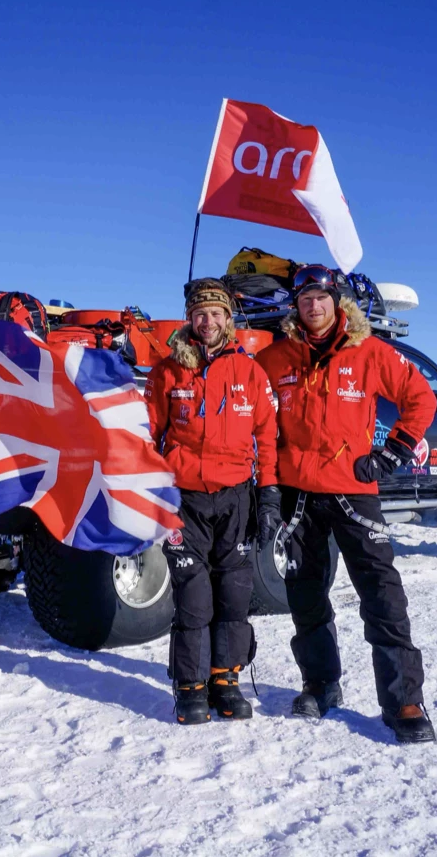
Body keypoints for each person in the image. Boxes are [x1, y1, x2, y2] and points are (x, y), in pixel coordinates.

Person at [255, 265, 437, 743]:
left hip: (354, 492)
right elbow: (257, 424)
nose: (313, 305)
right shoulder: (275, 359)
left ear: (338, 302)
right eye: (304, 299)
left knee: (382, 593)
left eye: (321, 297)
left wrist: (393, 450)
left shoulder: (369, 351)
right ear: (294, 307)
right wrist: (268, 489)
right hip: (298, 495)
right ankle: (320, 683)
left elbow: (419, 397)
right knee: (305, 594)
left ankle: (403, 700)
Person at [145, 278, 280, 724]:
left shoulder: (250, 372)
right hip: (185, 499)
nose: (208, 321)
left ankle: (226, 679)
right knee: (195, 597)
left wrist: (268, 496)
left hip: (236, 498)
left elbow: (267, 438)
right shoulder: (168, 371)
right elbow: (147, 434)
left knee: (234, 594)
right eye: (200, 313)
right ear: (191, 318)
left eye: (216, 313)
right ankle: (190, 684)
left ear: (228, 318)